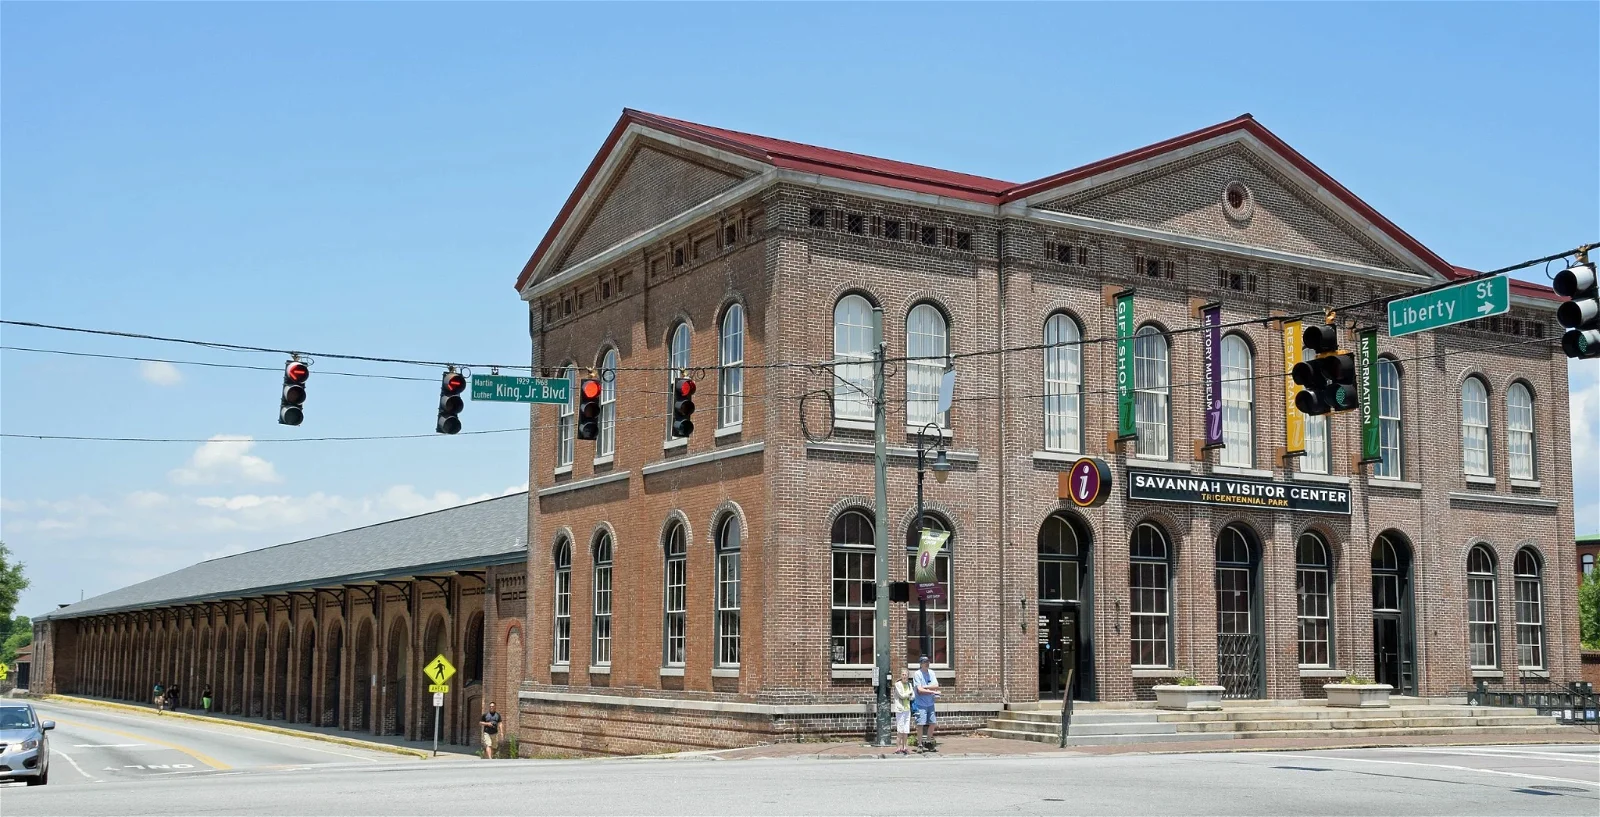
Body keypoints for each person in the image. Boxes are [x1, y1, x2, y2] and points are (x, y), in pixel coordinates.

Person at [911, 655, 940, 752]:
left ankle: (928, 742)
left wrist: (926, 687)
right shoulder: (917, 674)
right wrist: (932, 691)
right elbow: (919, 690)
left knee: (932, 723)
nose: (927, 664)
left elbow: (936, 685)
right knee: (920, 724)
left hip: (930, 703)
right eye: (924, 662)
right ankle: (919, 744)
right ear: (921, 664)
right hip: (920, 703)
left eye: (928, 662)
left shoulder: (931, 672)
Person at [891, 668, 914, 755]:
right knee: (900, 730)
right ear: (901, 675)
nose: (904, 676)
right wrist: (909, 694)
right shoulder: (897, 684)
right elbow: (901, 695)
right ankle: (898, 748)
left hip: (907, 709)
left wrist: (909, 695)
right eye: (903, 674)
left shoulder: (909, 685)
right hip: (900, 709)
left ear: (908, 676)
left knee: (906, 730)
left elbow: (913, 696)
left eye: (906, 675)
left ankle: (905, 747)